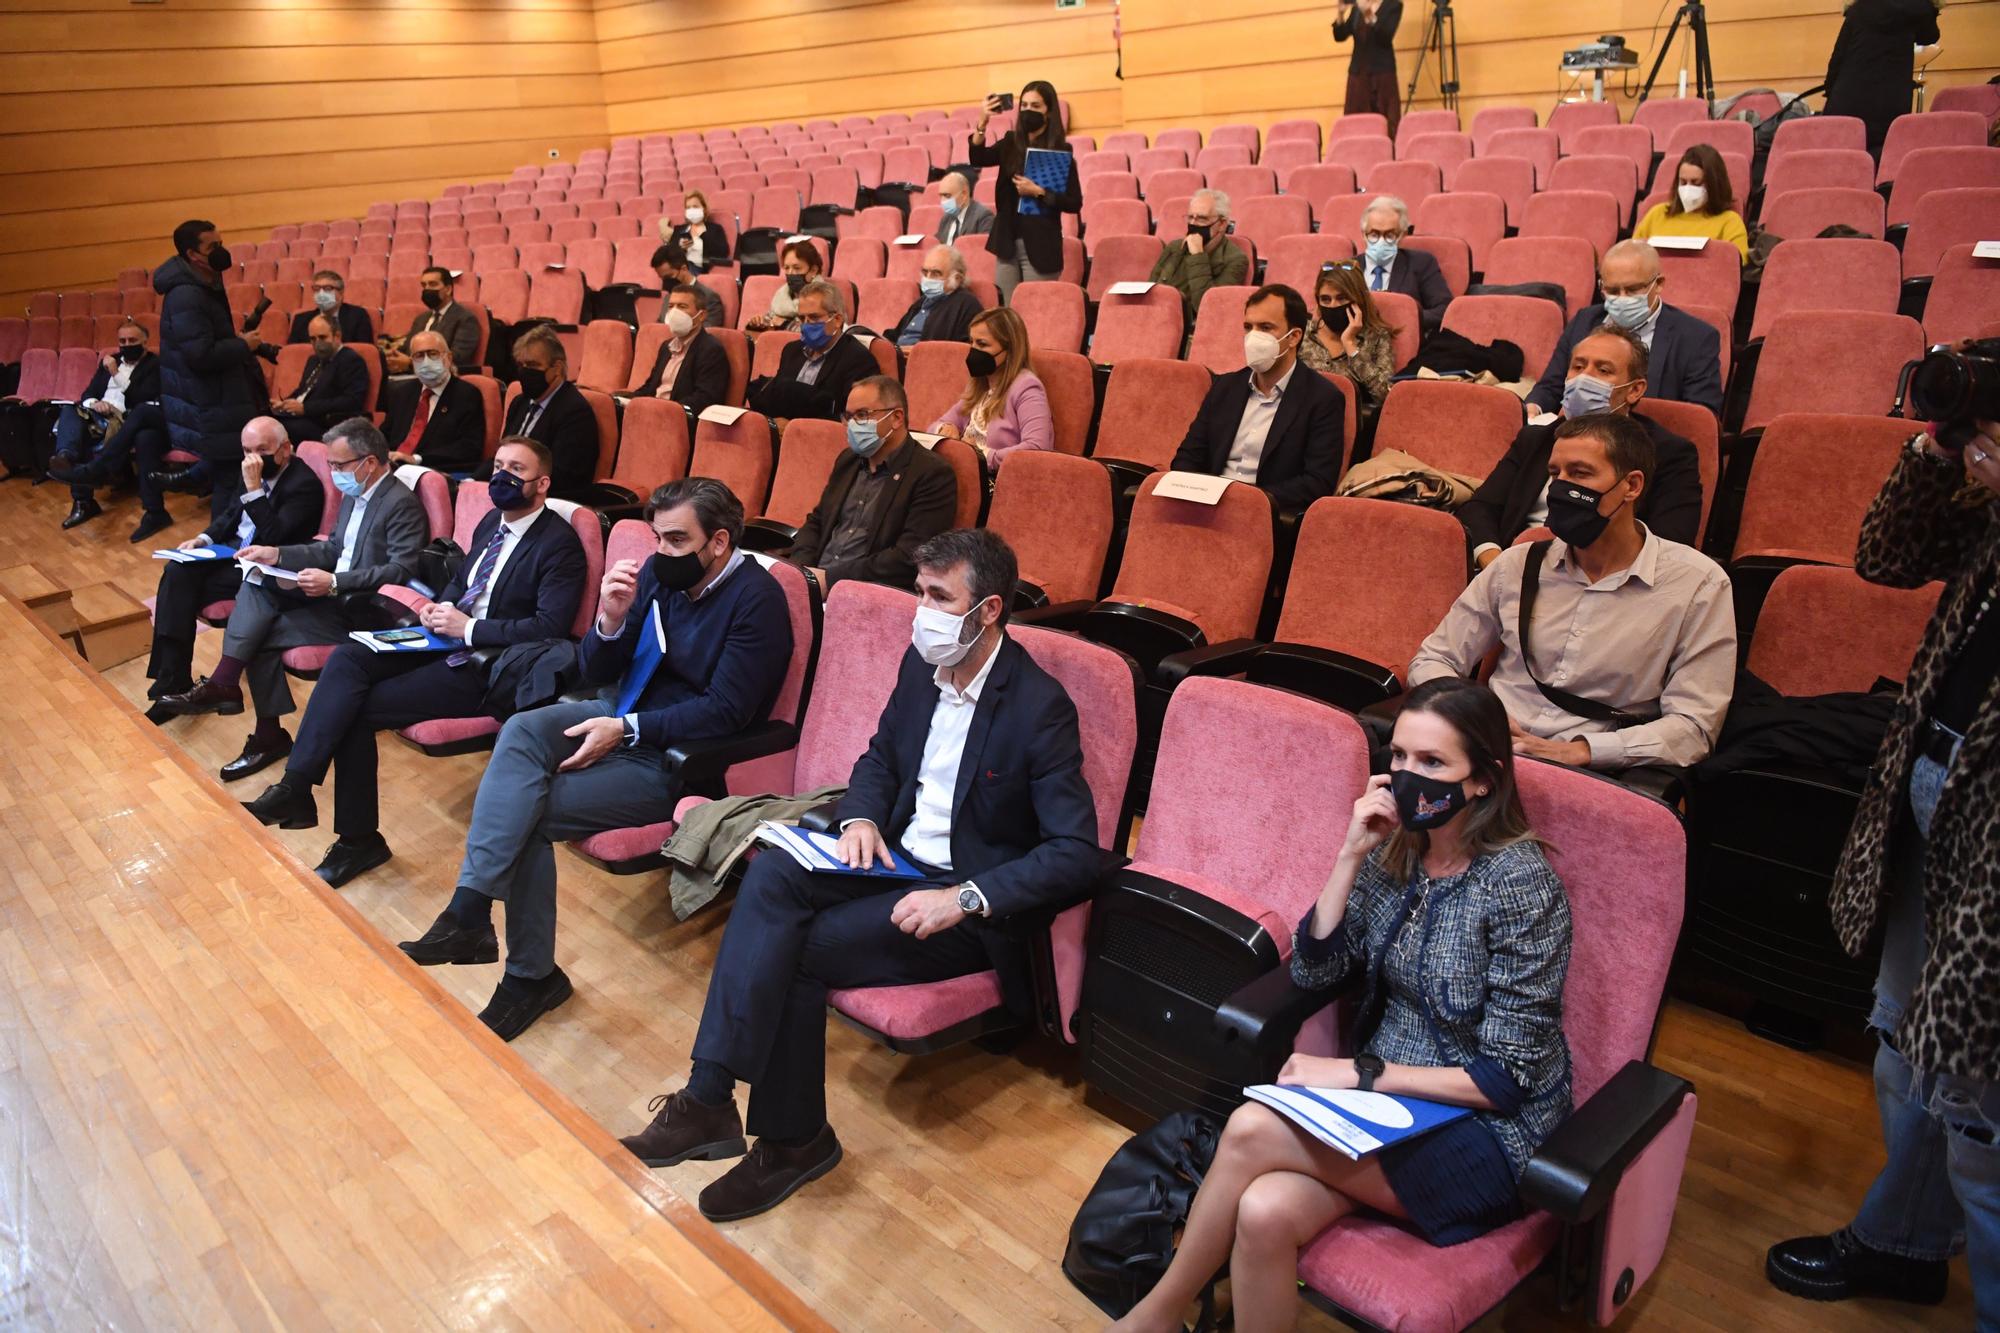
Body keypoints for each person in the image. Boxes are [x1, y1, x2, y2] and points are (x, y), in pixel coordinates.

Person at [613, 528, 1106, 1222]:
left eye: (939, 596)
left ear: (989, 608)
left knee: (796, 951)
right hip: (892, 859)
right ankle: (710, 1093)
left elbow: (1077, 851)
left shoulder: (1037, 706)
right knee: (775, 873)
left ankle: (792, 1140)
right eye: (920, 592)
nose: (921, 610)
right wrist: (861, 819)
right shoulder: (921, 663)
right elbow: (878, 758)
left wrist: (963, 897)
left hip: (961, 902)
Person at [1111, 677, 1570, 1332]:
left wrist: (1355, 1073)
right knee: (1265, 1210)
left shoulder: (1520, 883)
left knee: (1247, 1129)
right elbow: (1314, 966)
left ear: (1483, 780)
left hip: (1485, 1139)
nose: (1409, 777)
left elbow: (1507, 1079)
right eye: (1402, 758)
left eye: (1434, 763)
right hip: (1388, 1115)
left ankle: (1158, 1311)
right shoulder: (1399, 849)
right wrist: (1350, 854)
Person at [397, 477, 793, 1040]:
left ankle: (526, 973)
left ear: (720, 542)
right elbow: (599, 669)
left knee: (524, 816)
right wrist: (609, 618)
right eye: (657, 537)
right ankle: (469, 910)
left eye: (678, 540)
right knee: (523, 730)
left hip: (678, 756)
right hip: (621, 712)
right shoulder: (658, 572)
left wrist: (628, 728)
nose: (662, 553)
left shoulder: (757, 601)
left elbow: (727, 712)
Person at [1765, 406, 2000, 1323]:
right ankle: (1904, 1241)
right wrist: (1940, 440)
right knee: (1907, 1038)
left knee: (1982, 1100)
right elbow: (1888, 555)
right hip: (1936, 777)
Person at [241, 436, 588, 888]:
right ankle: (296, 787)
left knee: (355, 711)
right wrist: (436, 608)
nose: (502, 477)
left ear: (541, 483)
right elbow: (462, 584)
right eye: (498, 465)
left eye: (516, 470)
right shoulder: (490, 522)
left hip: (486, 663)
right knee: (349, 657)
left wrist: (464, 627)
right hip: (442, 637)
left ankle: (352, 836)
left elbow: (549, 627)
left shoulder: (559, 545)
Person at [1409, 412, 1736, 772]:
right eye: (1554, 475)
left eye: (1579, 474)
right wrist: (1471, 717)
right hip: (1487, 752)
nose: (1559, 489)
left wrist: (1582, 751)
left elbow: (1694, 728)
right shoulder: (1516, 564)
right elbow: (1433, 659)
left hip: (1595, 772)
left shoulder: (1698, 584)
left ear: (1632, 486)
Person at [152, 418, 429, 786]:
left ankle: (239, 700)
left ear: (371, 462)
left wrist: (334, 582)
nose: (332, 473)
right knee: (257, 576)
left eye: (339, 465)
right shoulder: (355, 495)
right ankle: (253, 717)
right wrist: (277, 555)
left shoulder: (400, 504)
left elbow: (400, 569)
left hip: (363, 608)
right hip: (333, 596)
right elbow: (332, 548)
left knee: (258, 627)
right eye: (330, 464)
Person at [1459, 325, 1704, 568]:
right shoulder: (1536, 438)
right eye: (1578, 367)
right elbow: (1480, 508)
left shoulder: (1669, 453)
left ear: (1634, 390)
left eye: (1603, 370)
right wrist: (1495, 565)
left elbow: (1671, 543)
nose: (1584, 377)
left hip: (1606, 581)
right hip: (1512, 566)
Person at [141, 416, 325, 721]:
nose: (253, 458)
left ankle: (193, 686)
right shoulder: (251, 468)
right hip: (231, 550)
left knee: (181, 593)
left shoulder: (303, 485)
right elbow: (230, 514)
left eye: (261, 449)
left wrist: (254, 489)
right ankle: (172, 680)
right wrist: (203, 538)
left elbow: (275, 536)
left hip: (264, 563)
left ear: (285, 449)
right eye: (246, 450)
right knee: (176, 571)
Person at [1169, 284, 1347, 514]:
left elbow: (1316, 482)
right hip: (1207, 507)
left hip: (1266, 515)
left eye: (1265, 327)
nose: (1253, 337)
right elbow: (1188, 457)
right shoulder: (1225, 387)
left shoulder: (1323, 398)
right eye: (1248, 327)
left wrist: (1247, 501)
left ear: (1293, 337)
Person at [784, 376, 956, 589]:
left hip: (867, 592)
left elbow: (908, 558)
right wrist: (801, 572)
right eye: (848, 416)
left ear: (896, 418)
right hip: (816, 581)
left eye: (863, 415)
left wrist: (830, 579)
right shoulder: (848, 460)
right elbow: (818, 521)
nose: (853, 424)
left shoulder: (932, 473)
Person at [1524, 240, 1725, 421]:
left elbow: (1700, 418)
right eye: (1612, 291)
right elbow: (1551, 386)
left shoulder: (1696, 337)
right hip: (1575, 433)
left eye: (1632, 290)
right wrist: (1535, 407)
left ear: (1659, 284)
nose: (1621, 298)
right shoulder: (1584, 321)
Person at [154, 218, 265, 523]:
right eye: (212, 246)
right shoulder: (187, 294)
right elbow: (200, 355)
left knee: (230, 482)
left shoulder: (202, 282)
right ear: (193, 254)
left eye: (221, 242)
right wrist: (243, 346)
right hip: (212, 404)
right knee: (229, 487)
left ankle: (223, 550)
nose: (221, 251)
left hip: (218, 402)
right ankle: (223, 555)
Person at [969, 80, 1081, 303]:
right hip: (1007, 241)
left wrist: (1039, 192)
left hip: (1041, 243)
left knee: (1035, 309)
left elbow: (1073, 202)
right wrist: (983, 121)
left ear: (1048, 111)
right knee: (1009, 314)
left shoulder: (1060, 150)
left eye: (1036, 106)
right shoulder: (1011, 142)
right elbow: (978, 157)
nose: (1029, 111)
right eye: (1025, 105)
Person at [47, 319, 160, 531]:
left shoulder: (153, 365)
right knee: (70, 410)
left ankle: (83, 501)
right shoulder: (110, 361)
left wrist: (116, 373)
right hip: (96, 413)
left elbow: (141, 398)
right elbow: (88, 393)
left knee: (82, 434)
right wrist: (95, 403)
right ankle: (65, 457)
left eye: (132, 340)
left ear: (145, 342)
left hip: (124, 417)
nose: (126, 345)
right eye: (122, 341)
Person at [930, 307, 1052, 474]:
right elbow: (935, 426)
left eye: (982, 344)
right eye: (971, 342)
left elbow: (1037, 448)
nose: (973, 350)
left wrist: (980, 456)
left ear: (1009, 349)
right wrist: (944, 429)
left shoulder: (1027, 387)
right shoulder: (980, 385)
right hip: (968, 474)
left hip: (999, 481)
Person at [745, 280, 877, 428]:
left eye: (814, 318)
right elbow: (778, 399)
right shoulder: (791, 350)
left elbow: (851, 420)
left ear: (837, 320)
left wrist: (794, 427)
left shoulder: (857, 359)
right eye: (802, 319)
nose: (806, 325)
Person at [1825, 0, 1943, 159]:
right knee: (1883, 163)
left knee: (1841, 163)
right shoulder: (1917, 8)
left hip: (1848, 100)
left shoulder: (1860, 8)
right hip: (1890, 103)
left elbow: (1838, 57)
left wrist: (1830, 91)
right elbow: (1929, 37)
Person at [500, 325, 600, 499]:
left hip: (541, 499)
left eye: (532, 365)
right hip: (506, 489)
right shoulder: (519, 403)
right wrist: (472, 480)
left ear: (558, 368)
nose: (525, 372)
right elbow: (502, 453)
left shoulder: (575, 412)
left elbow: (564, 476)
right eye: (521, 365)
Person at [1297, 260, 1398, 410]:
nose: (1333, 306)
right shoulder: (1302, 333)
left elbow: (1385, 395)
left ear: (1358, 299)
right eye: (1325, 299)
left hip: (1353, 423)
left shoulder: (1376, 336)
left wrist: (1351, 345)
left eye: (1341, 298)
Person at [382, 330, 486, 474]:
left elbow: (469, 447)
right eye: (419, 355)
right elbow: (384, 434)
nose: (426, 361)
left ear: (448, 358)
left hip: (433, 470)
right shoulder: (401, 392)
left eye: (432, 354)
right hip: (393, 467)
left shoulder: (467, 394)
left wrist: (416, 459)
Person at [1634, 145, 1751, 263]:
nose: (1688, 189)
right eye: (1683, 182)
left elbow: (1735, 268)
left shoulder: (1730, 221)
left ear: (1714, 184)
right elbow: (1633, 254)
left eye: (1696, 183)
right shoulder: (1657, 214)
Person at [1148, 190, 1250, 322]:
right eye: (1190, 217)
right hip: (1156, 318)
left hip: (1191, 329)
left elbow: (1210, 309)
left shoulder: (1236, 259)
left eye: (1202, 219)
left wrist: (1197, 255)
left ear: (1222, 224)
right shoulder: (1175, 247)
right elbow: (1151, 287)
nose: (1194, 224)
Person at [269, 313, 370, 445]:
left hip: (327, 424)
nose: (317, 343)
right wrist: (285, 404)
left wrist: (305, 408)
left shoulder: (351, 360)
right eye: (313, 339)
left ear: (337, 336)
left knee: (277, 428)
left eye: (322, 337)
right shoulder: (313, 360)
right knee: (263, 419)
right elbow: (303, 390)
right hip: (303, 418)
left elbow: (352, 401)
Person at [1357, 196, 1452, 335]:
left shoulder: (1421, 263)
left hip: (1404, 342)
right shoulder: (1348, 268)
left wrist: (1405, 319)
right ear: (1363, 235)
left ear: (1402, 234)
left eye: (1390, 235)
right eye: (1374, 234)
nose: (1381, 241)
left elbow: (1444, 309)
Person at [632, 283, 731, 417]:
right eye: (671, 306)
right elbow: (650, 387)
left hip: (678, 419)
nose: (674, 312)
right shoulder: (666, 347)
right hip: (652, 413)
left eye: (682, 307)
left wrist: (664, 410)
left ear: (701, 316)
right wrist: (629, 400)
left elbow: (705, 398)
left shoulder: (711, 350)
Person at [252, 270, 373, 362]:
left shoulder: (358, 316)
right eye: (316, 289)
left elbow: (365, 353)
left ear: (341, 293)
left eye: (328, 288)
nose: (321, 293)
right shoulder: (301, 320)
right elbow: (291, 355)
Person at [380, 267, 480, 374]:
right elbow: (407, 349)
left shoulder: (465, 318)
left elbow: (458, 357)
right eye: (424, 285)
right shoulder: (421, 318)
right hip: (410, 376)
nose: (427, 289)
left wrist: (411, 363)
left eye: (433, 284)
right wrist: (393, 355)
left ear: (448, 289)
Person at [1332, 0, 1406, 139]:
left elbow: (1385, 36)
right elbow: (1340, 36)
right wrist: (1340, 13)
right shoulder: (1356, 10)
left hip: (1383, 74)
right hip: (1358, 75)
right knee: (1355, 125)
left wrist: (1369, 15)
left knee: (1386, 125)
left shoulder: (1393, 5)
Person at [890, 245, 982, 347]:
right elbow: (896, 334)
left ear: (957, 278)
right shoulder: (922, 301)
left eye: (936, 274)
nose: (927, 278)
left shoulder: (967, 304)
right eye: (925, 272)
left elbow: (963, 349)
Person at [745, 239, 823, 335]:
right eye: (786, 268)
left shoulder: (825, 297)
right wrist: (758, 324)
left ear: (813, 270)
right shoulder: (781, 296)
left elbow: (819, 333)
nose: (790, 273)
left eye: (797, 268)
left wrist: (785, 324)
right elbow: (771, 320)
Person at [650, 242, 725, 328]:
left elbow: (710, 331)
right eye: (662, 278)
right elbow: (660, 325)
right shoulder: (669, 296)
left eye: (669, 277)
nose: (666, 282)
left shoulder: (708, 297)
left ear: (684, 269)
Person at [663, 190, 729, 272]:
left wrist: (699, 243)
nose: (692, 210)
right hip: (677, 269)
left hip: (700, 268)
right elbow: (669, 254)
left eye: (695, 207)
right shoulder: (679, 230)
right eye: (688, 208)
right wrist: (681, 249)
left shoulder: (715, 229)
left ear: (704, 209)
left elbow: (723, 252)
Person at [933, 171, 995, 246]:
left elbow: (982, 252)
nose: (943, 201)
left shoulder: (983, 217)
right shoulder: (945, 219)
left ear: (964, 194)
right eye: (941, 196)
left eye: (947, 196)